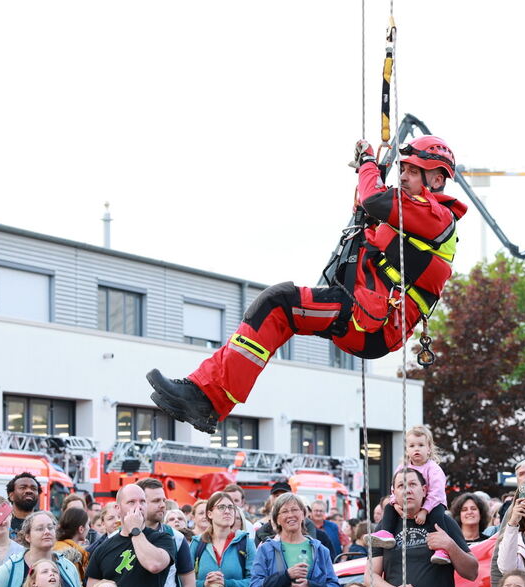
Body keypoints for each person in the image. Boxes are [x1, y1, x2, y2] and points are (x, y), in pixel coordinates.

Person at [147, 135, 467, 433]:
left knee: (279, 303)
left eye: (415, 171)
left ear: (437, 179)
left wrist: (369, 164)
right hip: (364, 313)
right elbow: (367, 212)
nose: (406, 176)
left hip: (373, 323)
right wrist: (370, 182)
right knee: (275, 309)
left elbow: (373, 199)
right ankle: (206, 396)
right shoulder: (409, 218)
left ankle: (206, 398)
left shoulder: (437, 216)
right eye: (404, 169)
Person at [368, 425, 449, 566]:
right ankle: (386, 533)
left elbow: (436, 493)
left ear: (429, 448)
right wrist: (395, 504)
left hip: (433, 503)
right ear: (407, 450)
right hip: (408, 504)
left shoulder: (434, 469)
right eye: (412, 446)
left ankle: (442, 549)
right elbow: (395, 488)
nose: (416, 449)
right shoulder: (402, 468)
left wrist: (425, 510)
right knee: (388, 508)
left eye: (421, 445)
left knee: (437, 516)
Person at [193, 491, 256, 587]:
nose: (227, 511)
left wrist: (227, 583)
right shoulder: (197, 543)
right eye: (221, 507)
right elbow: (183, 584)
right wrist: (205, 584)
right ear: (209, 514)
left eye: (230, 507)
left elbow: (255, 582)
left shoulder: (245, 543)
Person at [54, 507, 91, 582]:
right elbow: (74, 585)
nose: (89, 528)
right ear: (81, 529)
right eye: (88, 524)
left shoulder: (57, 546)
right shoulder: (71, 554)